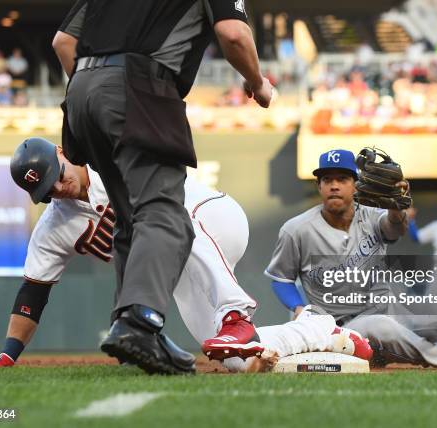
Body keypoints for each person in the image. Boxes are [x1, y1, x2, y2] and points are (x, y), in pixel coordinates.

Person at [0, 138, 371, 372]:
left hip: (214, 216)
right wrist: (8, 354)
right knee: (233, 355)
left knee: (170, 218)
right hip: (184, 263)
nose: (60, 188)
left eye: (59, 174)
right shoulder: (54, 227)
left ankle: (234, 311)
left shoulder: (111, 162)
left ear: (65, 152)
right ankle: (321, 330)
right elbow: (32, 295)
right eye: (49, 189)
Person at [51, 0, 273, 375]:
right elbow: (233, 34)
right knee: (165, 214)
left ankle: (130, 330)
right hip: (137, 86)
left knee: (130, 219)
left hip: (82, 91)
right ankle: (139, 322)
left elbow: (62, 42)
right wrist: (257, 83)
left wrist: (96, 91)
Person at [265, 149, 437, 368]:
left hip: (391, 309)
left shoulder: (373, 217)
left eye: (342, 178)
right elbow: (281, 278)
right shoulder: (296, 229)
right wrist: (298, 306)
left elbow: (394, 229)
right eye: (327, 179)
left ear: (355, 185)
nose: (335, 186)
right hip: (344, 330)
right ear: (319, 186)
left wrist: (397, 207)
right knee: (380, 327)